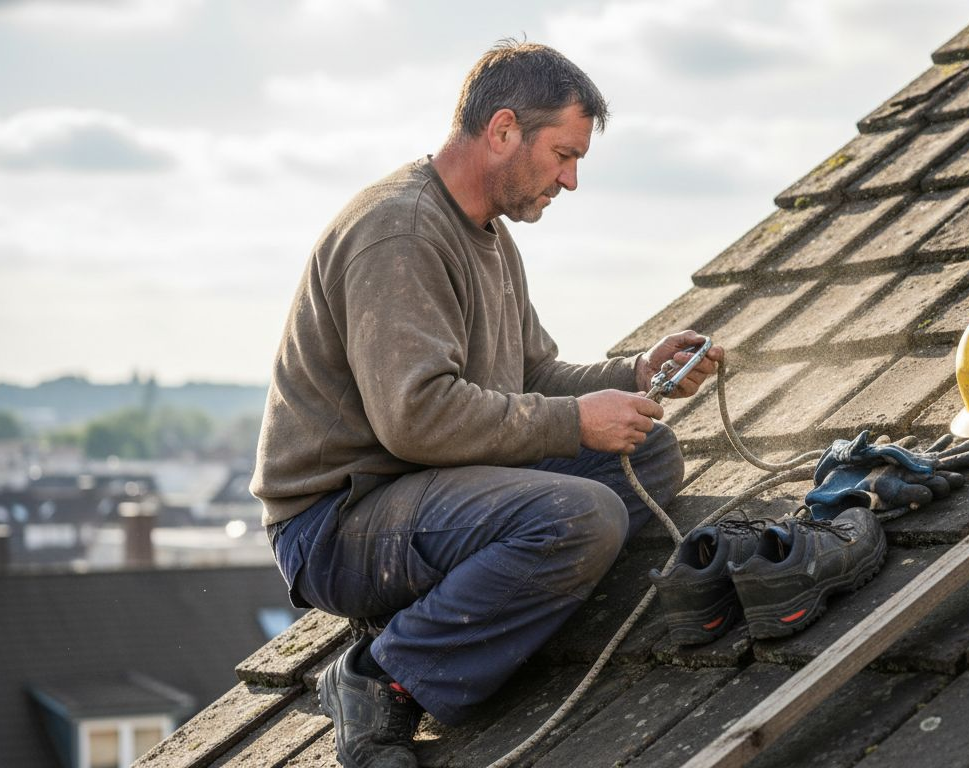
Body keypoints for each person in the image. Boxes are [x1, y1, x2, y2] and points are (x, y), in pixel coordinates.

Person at [250, 39, 724, 768]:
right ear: (503, 130)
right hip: (337, 523)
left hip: (421, 495)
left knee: (647, 454)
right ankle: (379, 677)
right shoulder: (401, 232)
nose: (570, 182)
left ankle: (458, 617)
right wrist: (573, 423)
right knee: (582, 516)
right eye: (563, 155)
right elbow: (416, 418)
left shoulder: (490, 238)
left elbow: (531, 374)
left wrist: (635, 374)